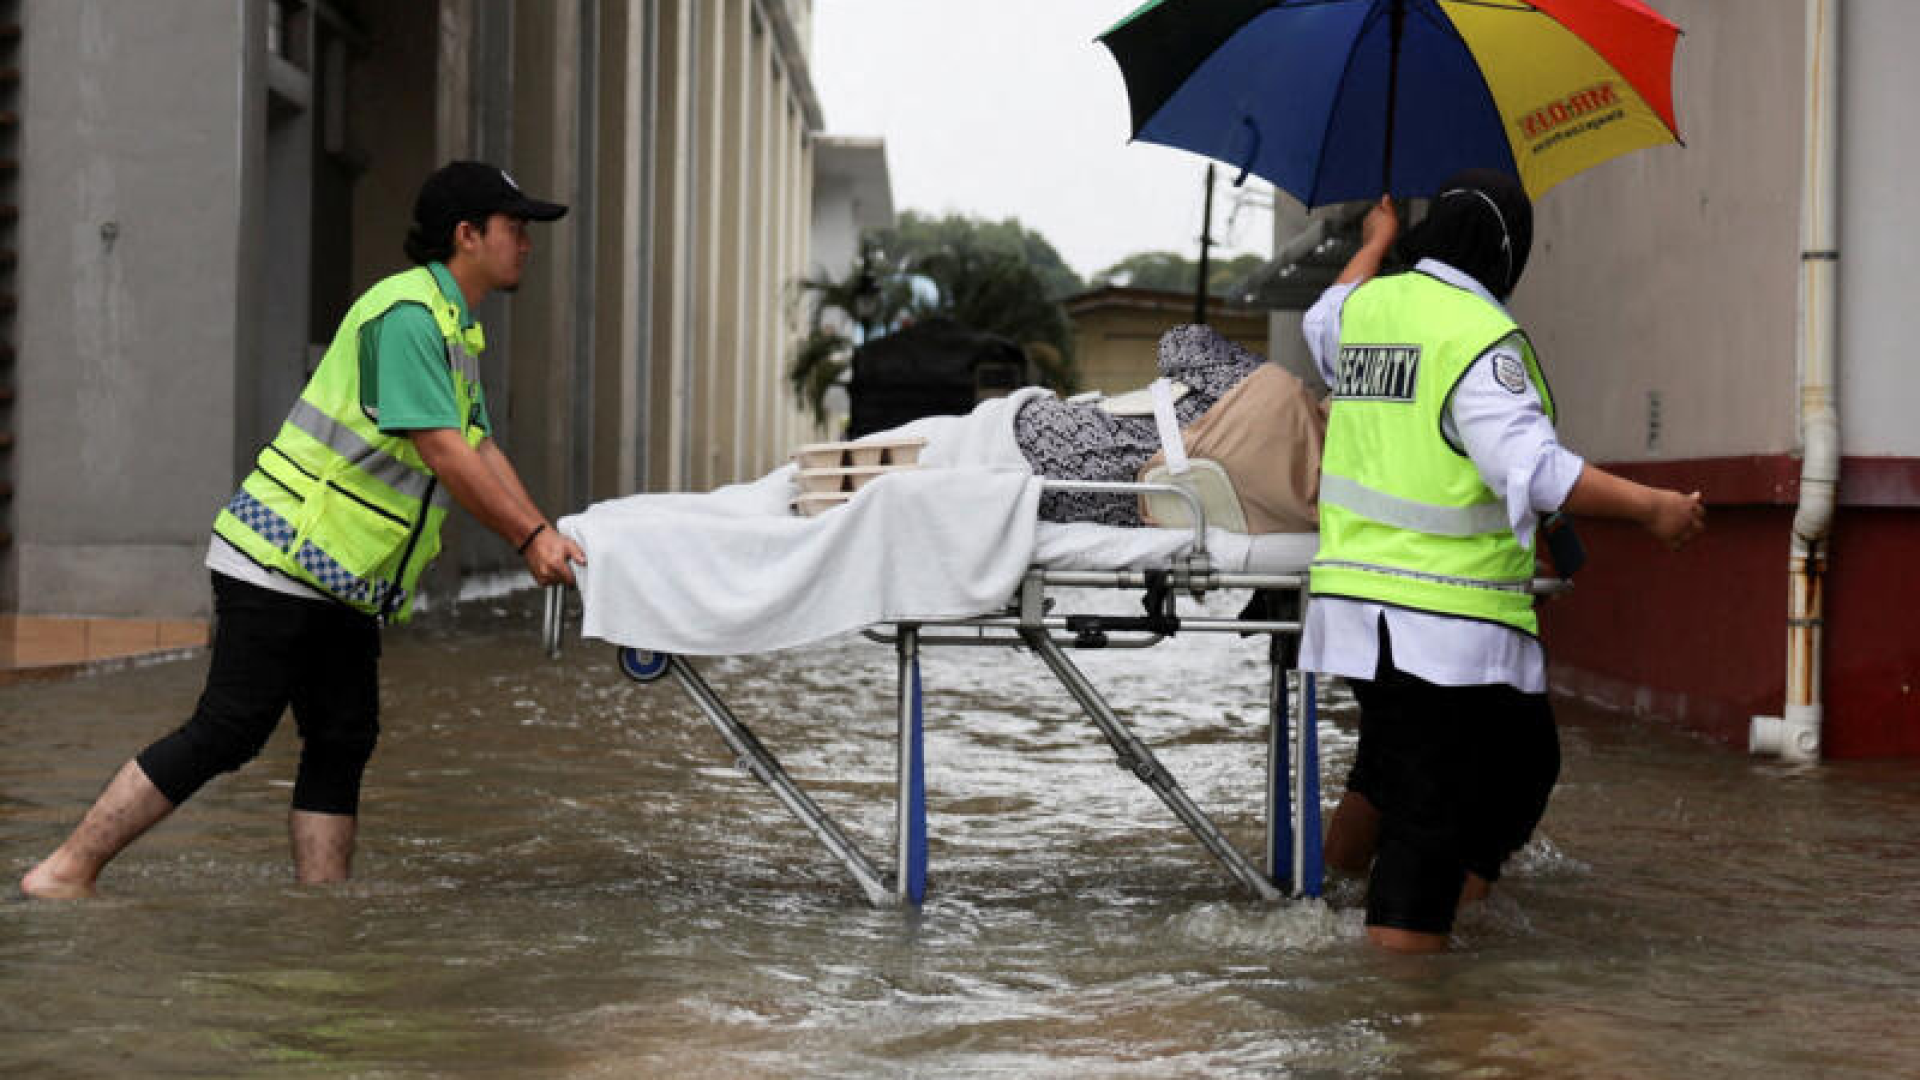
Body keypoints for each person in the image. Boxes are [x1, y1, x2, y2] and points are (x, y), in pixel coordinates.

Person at [21, 161, 588, 898]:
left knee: (343, 735)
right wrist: (529, 541)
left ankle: (322, 910)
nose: (528, 244)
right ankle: (63, 872)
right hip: (282, 558)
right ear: (467, 235)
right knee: (230, 729)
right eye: (516, 228)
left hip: (341, 575)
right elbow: (444, 451)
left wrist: (543, 531)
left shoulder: (454, 328)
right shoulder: (408, 315)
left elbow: (479, 447)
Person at [1300, 169, 1705, 953]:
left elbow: (1322, 319)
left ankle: (1332, 902)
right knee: (1430, 812)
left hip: (1358, 609)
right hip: (1439, 619)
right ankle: (1402, 995)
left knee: (1502, 757)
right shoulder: (1478, 337)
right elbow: (1534, 468)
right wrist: (1654, 508)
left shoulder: (1366, 308)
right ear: (1506, 250)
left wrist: (1376, 244)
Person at [1015, 323, 1322, 529]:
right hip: (1066, 502)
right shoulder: (1307, 513)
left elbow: (1182, 338)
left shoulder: (1278, 391)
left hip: (1041, 435)